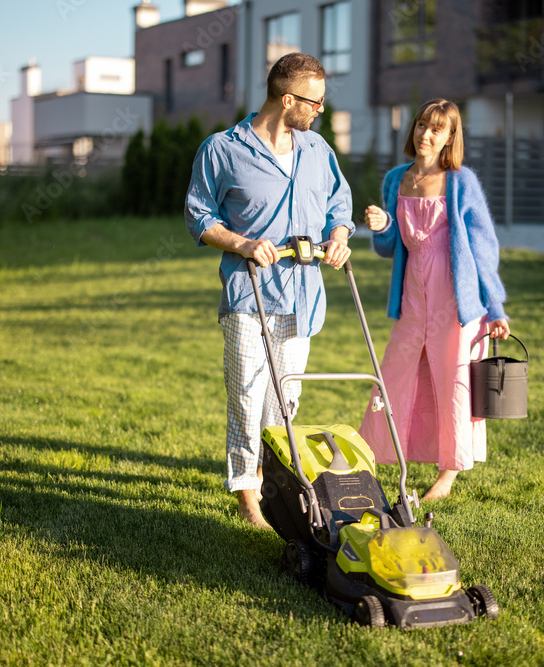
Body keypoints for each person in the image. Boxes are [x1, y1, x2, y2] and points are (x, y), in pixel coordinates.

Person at [185, 53, 354, 528]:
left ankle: (270, 479)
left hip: (303, 299)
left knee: (283, 402)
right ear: (287, 99)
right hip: (249, 295)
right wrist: (243, 243)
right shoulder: (222, 149)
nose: (320, 110)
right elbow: (199, 216)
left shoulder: (318, 151)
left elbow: (339, 207)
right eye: (315, 102)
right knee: (245, 394)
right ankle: (246, 496)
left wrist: (339, 238)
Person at [358, 98, 510, 502]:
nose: (426, 134)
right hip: (413, 299)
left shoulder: (462, 182)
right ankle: (368, 453)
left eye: (437, 129)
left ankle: (448, 473)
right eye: (422, 124)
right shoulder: (396, 180)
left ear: (449, 138)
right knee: (392, 376)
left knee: (453, 381)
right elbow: (391, 247)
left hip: (456, 302)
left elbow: (483, 249)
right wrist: (383, 224)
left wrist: (494, 307)